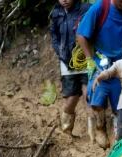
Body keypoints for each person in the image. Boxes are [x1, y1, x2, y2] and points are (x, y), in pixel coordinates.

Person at [76, 0, 122, 149]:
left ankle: (119, 136)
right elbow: (81, 35)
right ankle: (100, 127)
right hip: (100, 65)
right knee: (97, 101)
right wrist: (89, 59)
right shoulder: (99, 8)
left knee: (121, 106)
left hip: (121, 68)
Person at [49, 0, 91, 136]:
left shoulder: (86, 9)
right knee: (72, 97)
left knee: (89, 94)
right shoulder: (56, 13)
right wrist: (60, 51)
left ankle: (96, 133)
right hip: (67, 61)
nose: (65, 0)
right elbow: (54, 35)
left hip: (85, 58)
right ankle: (66, 131)